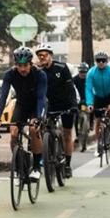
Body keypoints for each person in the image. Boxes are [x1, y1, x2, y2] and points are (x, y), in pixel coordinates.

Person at [0, 46, 47, 180]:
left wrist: (38, 117)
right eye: (19, 65)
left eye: (25, 65)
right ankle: (19, 166)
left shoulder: (40, 74)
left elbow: (41, 97)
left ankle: (36, 167)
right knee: (13, 133)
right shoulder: (9, 74)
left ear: (31, 64)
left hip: (37, 105)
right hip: (22, 104)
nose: (22, 69)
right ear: (15, 64)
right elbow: (3, 96)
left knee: (34, 130)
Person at [34, 44, 79, 178]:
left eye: (45, 55)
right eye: (39, 56)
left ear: (51, 56)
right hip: (48, 106)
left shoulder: (61, 68)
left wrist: (73, 106)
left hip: (65, 105)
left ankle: (67, 165)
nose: (42, 58)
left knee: (67, 134)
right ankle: (45, 154)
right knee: (39, 129)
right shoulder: (37, 71)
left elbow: (70, 88)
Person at [85, 51, 110, 157]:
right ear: (96, 62)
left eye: (103, 60)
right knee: (98, 121)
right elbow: (88, 89)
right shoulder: (91, 73)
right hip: (98, 97)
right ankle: (98, 144)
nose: (101, 63)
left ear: (107, 61)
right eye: (98, 60)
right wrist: (89, 103)